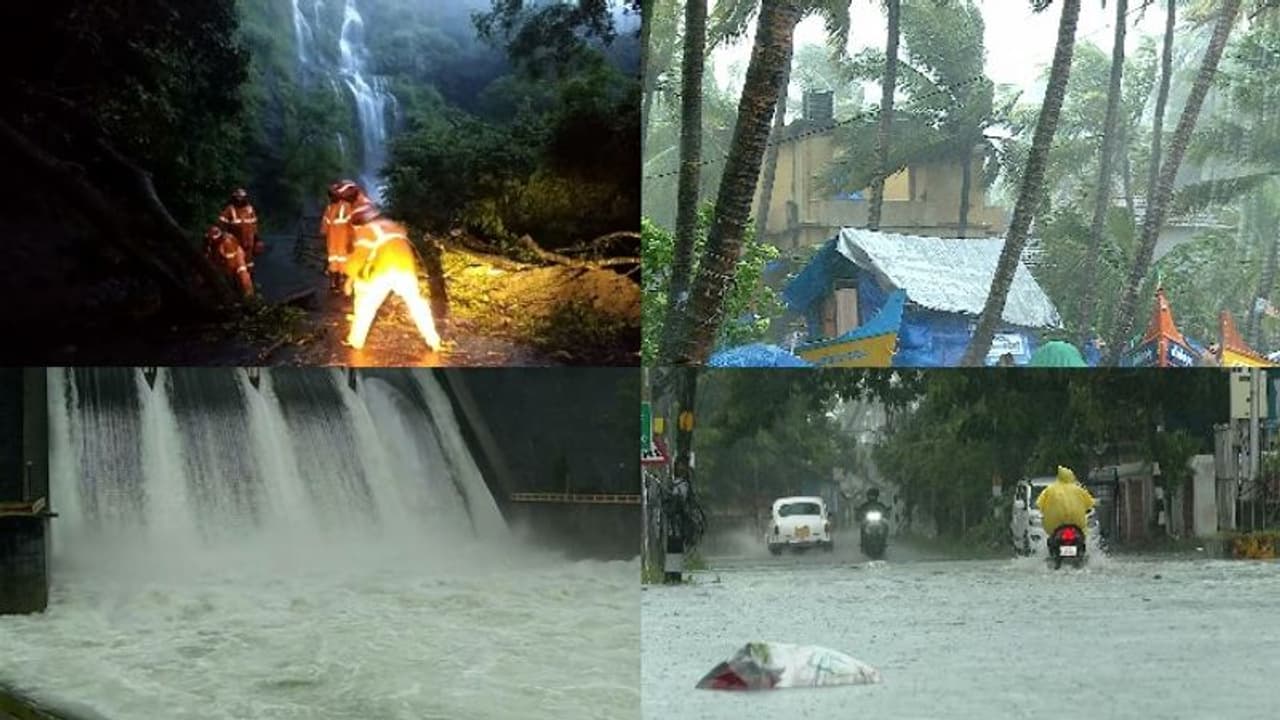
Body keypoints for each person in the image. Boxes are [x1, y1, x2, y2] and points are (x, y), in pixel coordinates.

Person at [343, 202, 441, 351]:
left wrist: (349, 280)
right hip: (406, 269)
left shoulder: (366, 230)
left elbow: (357, 260)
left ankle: (356, 341)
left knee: (366, 305)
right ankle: (434, 341)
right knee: (417, 304)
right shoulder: (394, 226)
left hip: (383, 271)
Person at [1036, 466, 1095, 537]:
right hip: (1076, 525)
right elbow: (1090, 503)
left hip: (1055, 526)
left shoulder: (1049, 490)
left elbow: (1039, 504)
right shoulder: (1079, 489)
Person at [320, 182, 354, 293]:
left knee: (343, 265)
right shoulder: (329, 208)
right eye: (331, 195)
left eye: (333, 195)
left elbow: (351, 225)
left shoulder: (347, 207)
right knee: (333, 264)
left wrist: (351, 240)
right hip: (333, 242)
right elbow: (325, 225)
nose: (332, 197)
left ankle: (343, 285)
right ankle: (334, 285)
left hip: (344, 242)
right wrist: (323, 237)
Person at [205, 226, 253, 298]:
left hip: (237, 258)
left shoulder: (227, 242)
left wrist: (228, 275)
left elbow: (230, 262)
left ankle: (249, 297)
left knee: (242, 277)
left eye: (213, 239)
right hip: (225, 260)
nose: (211, 240)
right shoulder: (210, 242)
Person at [219, 188, 263, 265]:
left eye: (242, 197)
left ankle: (250, 274)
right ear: (234, 198)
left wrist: (257, 239)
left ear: (245, 197)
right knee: (235, 262)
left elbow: (254, 225)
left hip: (248, 241)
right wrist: (225, 234)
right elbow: (222, 223)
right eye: (238, 197)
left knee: (249, 262)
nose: (240, 199)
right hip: (235, 241)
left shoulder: (250, 209)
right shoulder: (230, 209)